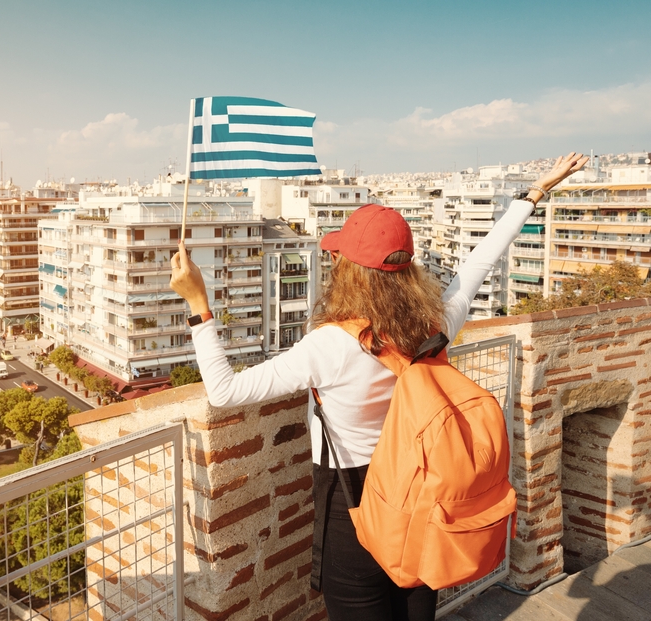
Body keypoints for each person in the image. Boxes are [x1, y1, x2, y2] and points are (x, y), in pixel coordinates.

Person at [169, 154, 588, 621]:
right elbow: (478, 265)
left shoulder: (330, 345)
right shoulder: (437, 322)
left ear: (349, 269)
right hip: (423, 495)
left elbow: (224, 391)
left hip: (353, 502)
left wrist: (197, 304)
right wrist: (534, 193)